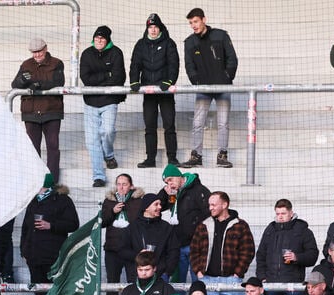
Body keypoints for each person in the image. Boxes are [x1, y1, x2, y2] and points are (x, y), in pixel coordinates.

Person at [181, 8, 238, 168]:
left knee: (223, 123)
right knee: (198, 123)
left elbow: (232, 59)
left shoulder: (221, 35)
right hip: (203, 89)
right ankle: (196, 156)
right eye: (191, 23)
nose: (193, 25)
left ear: (204, 20)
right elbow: (189, 66)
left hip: (223, 87)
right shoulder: (190, 42)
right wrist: (197, 82)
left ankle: (222, 155)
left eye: (196, 21)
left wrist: (226, 77)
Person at [189, 191, 255, 295]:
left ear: (224, 204)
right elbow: (194, 250)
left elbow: (248, 251)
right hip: (207, 280)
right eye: (209, 205)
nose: (210, 208)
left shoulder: (240, 225)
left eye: (213, 205)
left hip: (231, 280)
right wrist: (199, 272)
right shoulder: (204, 225)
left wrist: (237, 273)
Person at [129, 13, 180, 168]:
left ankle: (172, 158)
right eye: (150, 27)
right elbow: (135, 64)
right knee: (150, 126)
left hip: (165, 91)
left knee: (169, 125)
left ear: (160, 28)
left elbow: (174, 64)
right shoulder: (140, 44)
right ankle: (150, 159)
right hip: (148, 92)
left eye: (155, 27)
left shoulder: (169, 43)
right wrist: (134, 81)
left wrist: (169, 81)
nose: (153, 30)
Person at [79, 25, 126, 187]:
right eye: (96, 38)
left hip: (109, 100)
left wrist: (98, 79)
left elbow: (119, 77)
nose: (99, 41)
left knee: (107, 131)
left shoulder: (116, 53)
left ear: (107, 40)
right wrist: (107, 75)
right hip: (91, 102)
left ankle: (109, 154)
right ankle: (98, 176)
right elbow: (86, 78)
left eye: (102, 38)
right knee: (91, 140)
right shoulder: (86, 54)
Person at [12, 37, 65, 180]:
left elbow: (59, 81)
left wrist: (38, 84)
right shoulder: (26, 64)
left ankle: (52, 179)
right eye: (34, 52)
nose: (37, 55)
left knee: (53, 147)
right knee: (33, 148)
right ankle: (36, 178)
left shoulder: (57, 63)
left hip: (51, 111)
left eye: (39, 51)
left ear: (45, 49)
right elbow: (15, 85)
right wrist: (22, 80)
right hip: (31, 112)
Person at [20, 174, 80, 283]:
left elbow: (73, 224)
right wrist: (24, 251)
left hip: (52, 257)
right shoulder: (33, 201)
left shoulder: (63, 200)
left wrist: (51, 225)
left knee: (53, 291)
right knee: (38, 291)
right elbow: (25, 228)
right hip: (33, 257)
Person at [157, 164, 211, 282]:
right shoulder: (173, 194)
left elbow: (209, 213)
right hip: (177, 244)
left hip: (195, 245)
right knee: (177, 282)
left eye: (170, 179)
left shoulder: (198, 189)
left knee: (197, 281)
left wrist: (197, 230)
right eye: (166, 182)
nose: (169, 184)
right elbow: (158, 205)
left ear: (178, 176)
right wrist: (166, 193)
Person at [119, 194, 179, 281]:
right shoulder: (132, 227)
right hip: (136, 277)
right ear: (146, 207)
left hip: (160, 276)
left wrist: (167, 272)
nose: (160, 207)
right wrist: (138, 254)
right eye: (156, 204)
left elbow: (174, 251)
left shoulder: (166, 227)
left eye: (160, 204)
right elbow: (122, 250)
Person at [100, 174, 145, 286]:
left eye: (124, 184)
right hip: (112, 249)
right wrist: (112, 212)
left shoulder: (138, 201)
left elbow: (141, 223)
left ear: (131, 186)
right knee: (112, 282)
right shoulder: (109, 200)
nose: (121, 187)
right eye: (119, 184)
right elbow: (101, 222)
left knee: (134, 282)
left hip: (132, 249)